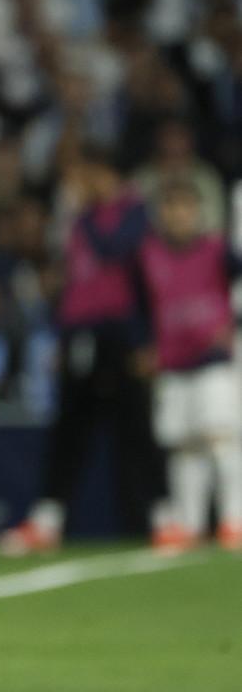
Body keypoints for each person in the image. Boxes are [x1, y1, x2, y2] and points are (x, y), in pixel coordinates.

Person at [0, 148, 160, 554]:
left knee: (135, 430)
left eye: (81, 174)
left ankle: (158, 518)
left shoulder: (134, 211)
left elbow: (115, 250)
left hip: (122, 334)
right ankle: (48, 520)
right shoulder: (80, 220)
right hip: (81, 334)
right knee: (70, 429)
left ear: (99, 171)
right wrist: (60, 335)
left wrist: (147, 340)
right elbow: (74, 282)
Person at [136, 180, 242, 552]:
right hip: (171, 361)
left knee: (219, 437)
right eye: (171, 208)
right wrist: (144, 345)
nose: (178, 216)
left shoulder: (217, 250)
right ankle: (189, 522)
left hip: (211, 359)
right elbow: (139, 305)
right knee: (182, 443)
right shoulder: (149, 255)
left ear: (197, 212)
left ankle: (233, 519)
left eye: (185, 208)